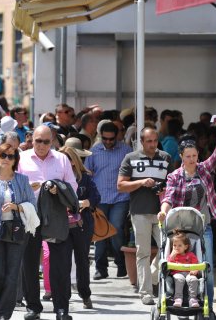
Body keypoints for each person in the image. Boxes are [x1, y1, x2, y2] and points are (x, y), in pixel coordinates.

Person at [158, 120, 216, 316]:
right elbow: (169, 197)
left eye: (195, 156)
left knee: (208, 270)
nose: (192, 160)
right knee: (180, 269)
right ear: (181, 157)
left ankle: (209, 310)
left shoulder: (204, 169)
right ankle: (182, 303)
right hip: (182, 231)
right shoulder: (174, 176)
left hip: (204, 226)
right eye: (188, 156)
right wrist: (163, 211)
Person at [17, 125, 77, 320]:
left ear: (52, 142)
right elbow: (13, 185)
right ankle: (33, 307)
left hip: (56, 216)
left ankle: (61, 308)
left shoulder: (62, 159)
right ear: (31, 140)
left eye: (46, 141)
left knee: (60, 263)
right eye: (38, 141)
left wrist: (57, 190)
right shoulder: (22, 158)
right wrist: (28, 188)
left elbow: (72, 188)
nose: (41, 145)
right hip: (30, 215)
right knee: (29, 263)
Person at [0, 143, 37, 320]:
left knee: (12, 273)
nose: (6, 159)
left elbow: (32, 205)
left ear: (15, 161)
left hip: (17, 231)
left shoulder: (22, 180)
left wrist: (16, 207)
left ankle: (4, 313)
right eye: (3, 155)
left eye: (11, 156)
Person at [118, 127, 172, 305]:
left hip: (161, 211)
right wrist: (141, 182)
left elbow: (172, 182)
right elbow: (121, 185)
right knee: (143, 253)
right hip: (139, 211)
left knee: (167, 248)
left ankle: (153, 279)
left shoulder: (165, 158)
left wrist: (164, 189)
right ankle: (146, 292)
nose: (152, 144)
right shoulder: (131, 158)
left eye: (155, 140)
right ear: (141, 141)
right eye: (149, 141)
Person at [85, 122, 132, 280]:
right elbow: (88, 174)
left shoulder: (126, 150)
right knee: (100, 232)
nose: (108, 142)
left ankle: (121, 264)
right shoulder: (94, 151)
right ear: (100, 136)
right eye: (105, 138)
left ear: (117, 136)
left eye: (111, 139)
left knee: (116, 229)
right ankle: (101, 268)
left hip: (120, 197)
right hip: (101, 198)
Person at [58, 146, 100, 310]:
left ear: (74, 161)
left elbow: (96, 197)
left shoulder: (84, 178)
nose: (64, 162)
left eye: (67, 158)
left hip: (83, 223)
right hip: (62, 224)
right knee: (63, 261)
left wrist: (86, 202)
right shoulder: (56, 177)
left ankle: (85, 294)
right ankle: (65, 297)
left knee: (82, 260)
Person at [168, 230, 200, 308]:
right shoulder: (173, 256)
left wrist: (195, 270)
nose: (176, 248)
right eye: (174, 245)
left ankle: (192, 299)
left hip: (189, 273)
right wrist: (172, 256)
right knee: (179, 279)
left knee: (193, 279)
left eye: (179, 245)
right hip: (177, 273)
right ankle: (178, 298)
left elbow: (196, 265)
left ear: (185, 247)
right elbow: (167, 264)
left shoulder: (191, 255)